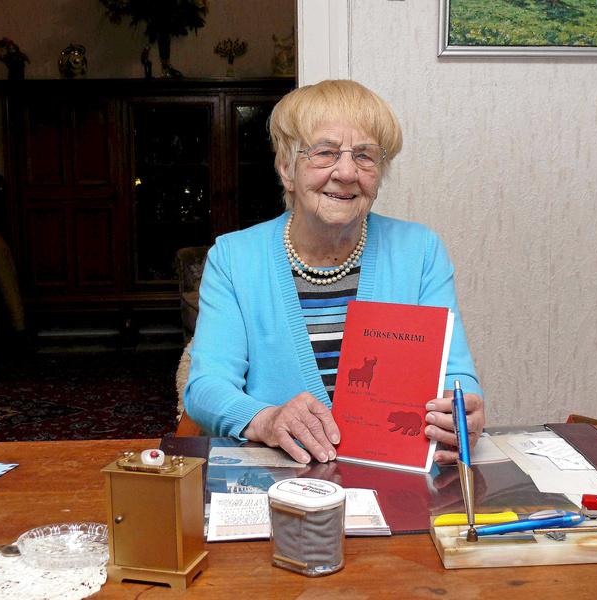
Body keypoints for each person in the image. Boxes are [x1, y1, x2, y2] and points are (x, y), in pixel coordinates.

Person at [184, 79, 484, 464]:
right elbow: (206, 388)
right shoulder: (233, 258)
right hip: (280, 480)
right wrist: (266, 419)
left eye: (365, 156)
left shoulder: (420, 251)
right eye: (324, 152)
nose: (346, 172)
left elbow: (454, 373)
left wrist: (461, 411)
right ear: (286, 169)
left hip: (392, 477)